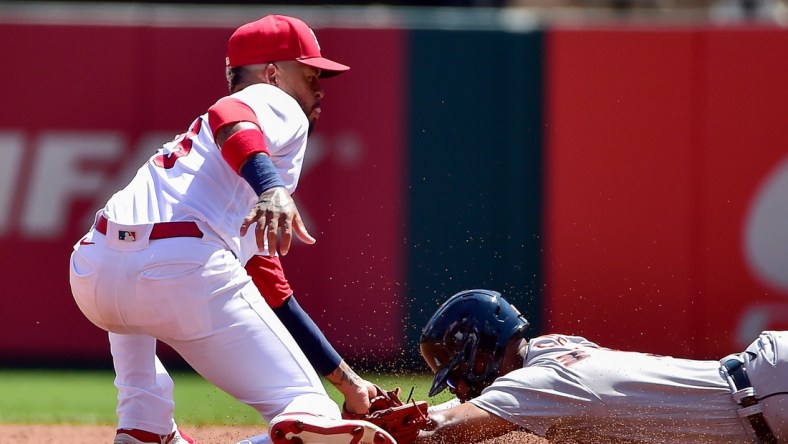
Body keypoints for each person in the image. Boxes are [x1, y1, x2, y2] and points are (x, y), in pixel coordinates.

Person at [69, 14, 395, 444]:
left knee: (139, 285)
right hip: (180, 268)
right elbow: (230, 110)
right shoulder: (274, 101)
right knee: (311, 412)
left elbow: (268, 284)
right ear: (272, 73)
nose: (319, 87)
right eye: (311, 73)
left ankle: (143, 427)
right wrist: (272, 187)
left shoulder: (198, 152)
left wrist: (349, 382)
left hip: (92, 271)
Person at [414, 289, 788, 443]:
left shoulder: (542, 382)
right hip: (766, 383)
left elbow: (441, 431)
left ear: (484, 349)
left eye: (461, 371)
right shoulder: (548, 350)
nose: (460, 387)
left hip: (772, 397)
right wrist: (409, 412)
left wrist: (379, 430)